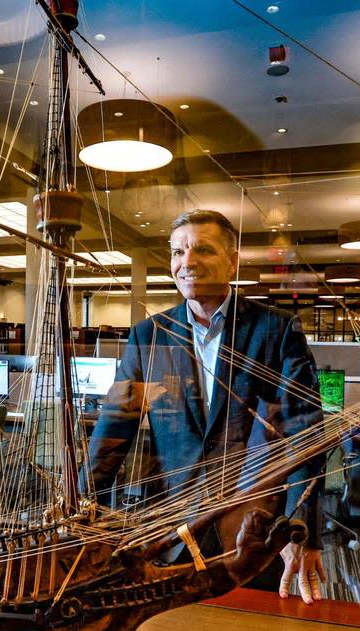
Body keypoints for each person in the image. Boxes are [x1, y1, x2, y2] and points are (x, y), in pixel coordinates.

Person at [85, 209, 327, 603]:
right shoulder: (150, 334)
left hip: (256, 532)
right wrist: (85, 506)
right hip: (168, 528)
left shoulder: (276, 329)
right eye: (178, 252)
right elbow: (115, 426)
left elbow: (305, 435)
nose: (187, 262)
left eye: (202, 249)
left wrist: (302, 528)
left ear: (232, 260)